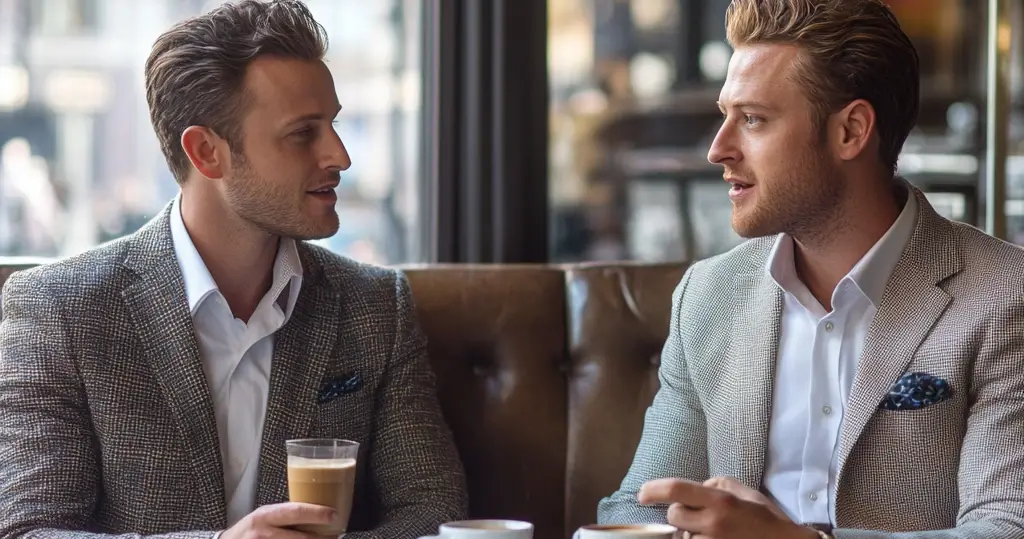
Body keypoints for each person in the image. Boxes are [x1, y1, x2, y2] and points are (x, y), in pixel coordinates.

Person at [0, 1, 467, 537]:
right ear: (207, 152)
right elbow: (31, 531)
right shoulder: (60, 309)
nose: (339, 155)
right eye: (302, 133)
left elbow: (434, 509)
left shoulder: (375, 306)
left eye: (333, 125)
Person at [598, 0, 1024, 538]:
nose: (717, 149)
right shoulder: (708, 296)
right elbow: (639, 507)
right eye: (725, 115)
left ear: (851, 131)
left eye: (753, 119)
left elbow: (1006, 527)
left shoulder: (1005, 295)